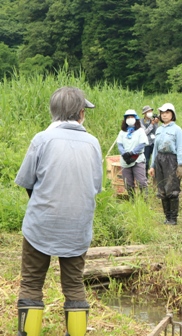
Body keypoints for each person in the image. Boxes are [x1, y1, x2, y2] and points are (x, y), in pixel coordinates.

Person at [14, 86, 102, 335]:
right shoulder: (93, 143)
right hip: (77, 228)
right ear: (81, 113)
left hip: (40, 225)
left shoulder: (42, 139)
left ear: (53, 112)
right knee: (74, 285)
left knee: (31, 284)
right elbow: (94, 187)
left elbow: (27, 182)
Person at [149, 103, 182, 225]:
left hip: (172, 160)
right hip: (159, 159)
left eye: (167, 113)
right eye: (162, 113)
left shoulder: (177, 129)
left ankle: (173, 218)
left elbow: (180, 147)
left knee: (172, 188)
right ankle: (167, 217)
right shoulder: (159, 129)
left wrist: (180, 165)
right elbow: (155, 149)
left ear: (172, 114)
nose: (164, 115)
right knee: (162, 189)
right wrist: (152, 165)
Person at [141, 105, 159, 177]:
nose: (150, 113)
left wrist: (156, 123)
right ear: (145, 113)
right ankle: (145, 177)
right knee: (146, 160)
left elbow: (157, 131)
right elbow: (144, 132)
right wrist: (151, 124)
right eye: (148, 111)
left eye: (151, 111)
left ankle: (156, 175)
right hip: (147, 143)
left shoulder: (154, 120)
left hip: (154, 142)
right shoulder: (141, 122)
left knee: (156, 159)